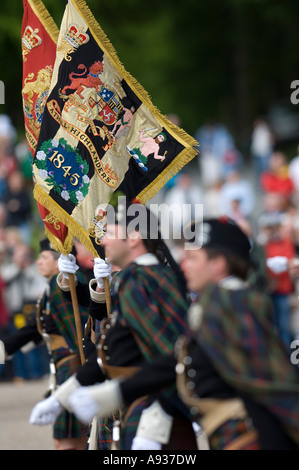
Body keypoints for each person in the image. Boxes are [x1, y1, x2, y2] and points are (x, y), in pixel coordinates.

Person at [64, 217, 299, 450]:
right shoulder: (219, 302)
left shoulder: (231, 304)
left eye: (193, 258)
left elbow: (268, 385)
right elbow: (178, 359)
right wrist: (112, 394)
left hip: (253, 435)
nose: (184, 264)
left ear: (218, 264)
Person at [29, 199, 195, 450]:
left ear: (134, 236)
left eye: (110, 232)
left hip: (152, 409)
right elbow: (110, 351)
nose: (103, 240)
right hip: (140, 401)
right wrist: (61, 399)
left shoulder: (139, 280)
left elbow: (174, 356)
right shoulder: (143, 277)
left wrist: (153, 424)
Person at [0, 239, 90, 450]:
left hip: (73, 366)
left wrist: (87, 375)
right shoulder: (51, 289)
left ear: (60, 262)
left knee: (68, 443)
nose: (38, 261)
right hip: (64, 367)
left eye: (44, 257)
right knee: (67, 441)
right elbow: (35, 328)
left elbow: (79, 336)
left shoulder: (61, 291)